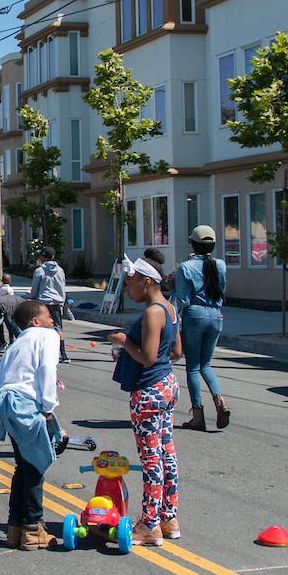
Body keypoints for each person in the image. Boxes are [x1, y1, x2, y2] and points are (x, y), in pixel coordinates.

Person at [109, 253, 182, 547]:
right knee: (167, 454)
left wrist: (125, 341)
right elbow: (175, 352)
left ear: (147, 281)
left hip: (149, 390)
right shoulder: (171, 309)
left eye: (131, 282)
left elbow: (148, 358)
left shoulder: (153, 312)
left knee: (151, 459)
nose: (128, 288)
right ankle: (169, 517)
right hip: (167, 385)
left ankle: (149, 524)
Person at [0, 300, 61, 550]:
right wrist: (48, 408)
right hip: (27, 404)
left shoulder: (16, 343)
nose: (53, 319)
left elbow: (2, 376)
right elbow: (47, 370)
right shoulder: (48, 335)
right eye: (47, 315)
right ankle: (33, 528)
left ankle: (15, 528)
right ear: (35, 321)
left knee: (23, 466)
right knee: (34, 466)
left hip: (7, 402)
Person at [173, 226, 229, 431]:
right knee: (206, 364)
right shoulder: (220, 265)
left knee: (193, 367)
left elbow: (183, 299)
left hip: (194, 315)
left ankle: (198, 415)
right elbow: (221, 290)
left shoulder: (186, 267)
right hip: (216, 315)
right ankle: (219, 400)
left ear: (193, 245)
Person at [29, 247, 69, 363]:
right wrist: (62, 301)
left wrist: (31, 298)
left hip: (43, 302)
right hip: (56, 302)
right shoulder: (60, 270)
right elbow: (62, 287)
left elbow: (34, 289)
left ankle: (40, 353)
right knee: (58, 328)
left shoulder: (39, 271)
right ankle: (63, 354)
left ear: (43, 256)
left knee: (39, 327)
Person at [0, 274, 26, 353]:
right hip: (9, 309)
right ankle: (12, 340)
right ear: (10, 281)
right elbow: (12, 299)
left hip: (0, 308)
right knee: (10, 325)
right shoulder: (9, 289)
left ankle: (1, 341)